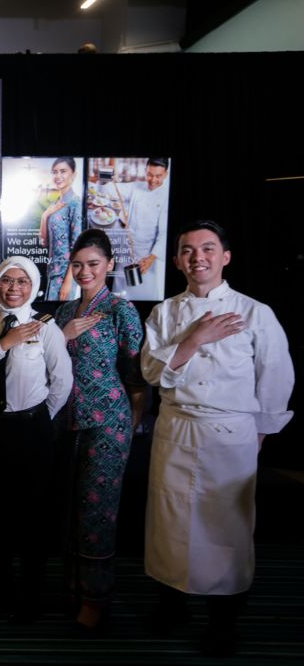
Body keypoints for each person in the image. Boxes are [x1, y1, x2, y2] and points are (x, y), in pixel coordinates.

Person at [141, 220, 293, 657]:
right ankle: (172, 604)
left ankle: (224, 620)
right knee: (168, 521)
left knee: (226, 524)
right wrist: (193, 339)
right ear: (176, 261)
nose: (197, 258)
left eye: (208, 249)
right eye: (188, 251)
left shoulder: (254, 312)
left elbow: (276, 376)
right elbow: (152, 372)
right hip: (176, 426)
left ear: (225, 256)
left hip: (230, 431)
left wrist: (262, 431)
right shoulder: (165, 312)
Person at [0, 256, 72, 622]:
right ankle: (2, 593)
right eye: (7, 281)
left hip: (32, 429)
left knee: (33, 518)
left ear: (33, 286)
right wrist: (4, 343)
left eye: (22, 282)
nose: (13, 288)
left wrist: (38, 419)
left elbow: (62, 383)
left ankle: (32, 596)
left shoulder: (46, 328)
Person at [54, 228, 146, 633]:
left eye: (93, 264)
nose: (85, 271)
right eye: (78, 265)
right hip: (66, 422)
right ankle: (73, 587)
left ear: (109, 265)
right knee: (70, 508)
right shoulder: (62, 312)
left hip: (108, 423)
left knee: (97, 512)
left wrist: (134, 422)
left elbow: (136, 376)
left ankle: (95, 598)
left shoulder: (120, 311)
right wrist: (63, 335)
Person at [97, 158, 170, 301]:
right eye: (149, 174)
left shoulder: (167, 195)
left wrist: (151, 258)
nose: (152, 179)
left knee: (148, 296)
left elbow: (164, 233)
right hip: (128, 251)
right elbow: (109, 190)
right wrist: (107, 173)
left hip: (150, 256)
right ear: (145, 171)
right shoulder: (137, 187)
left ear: (166, 174)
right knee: (121, 298)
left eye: (158, 176)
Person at [39, 157, 82, 301]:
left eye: (63, 171)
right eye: (55, 172)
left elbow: (77, 246)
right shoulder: (55, 204)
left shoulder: (75, 204)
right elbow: (44, 242)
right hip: (52, 272)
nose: (58, 176)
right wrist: (45, 216)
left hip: (65, 274)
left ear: (74, 174)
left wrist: (69, 281)